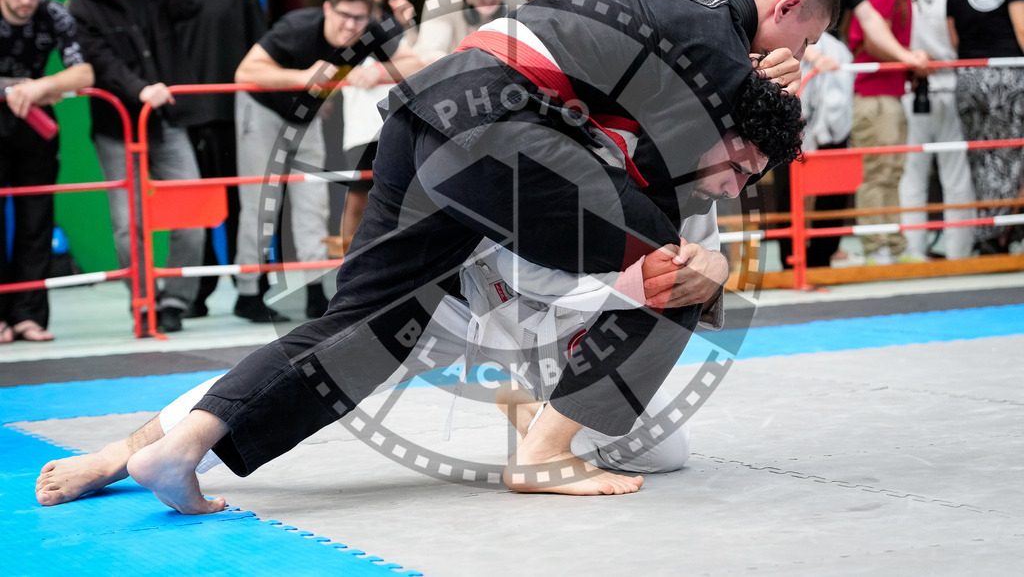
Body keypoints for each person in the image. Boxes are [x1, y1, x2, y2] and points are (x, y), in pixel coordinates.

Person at [76, 0, 837, 513]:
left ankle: (184, 445)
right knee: (686, 270)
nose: (791, 61)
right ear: (784, 9)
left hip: (430, 116)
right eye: (799, 46)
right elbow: (699, 194)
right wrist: (761, 91)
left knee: (358, 324)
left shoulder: (670, 1)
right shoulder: (719, 51)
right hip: (496, 146)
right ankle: (542, 454)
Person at [36, 204, 730, 506]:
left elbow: (707, 264)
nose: (738, 179)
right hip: (454, 299)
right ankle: (117, 455)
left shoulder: (701, 174)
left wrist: (714, 271)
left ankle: (536, 417)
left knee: (666, 452)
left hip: (562, 338)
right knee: (303, 372)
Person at [232, 0, 420, 322]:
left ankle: (316, 292)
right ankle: (248, 292)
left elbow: (416, 63)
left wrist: (379, 68)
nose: (350, 25)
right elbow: (245, 71)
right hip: (263, 109)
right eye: (344, 15)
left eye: (359, 18)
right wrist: (301, 75)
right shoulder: (297, 27)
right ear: (327, 10)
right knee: (260, 198)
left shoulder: (369, 33)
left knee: (313, 198)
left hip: (307, 115)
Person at [69, 0, 205, 334]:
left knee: (191, 214)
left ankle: (173, 302)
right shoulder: (84, 2)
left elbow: (190, 3)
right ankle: (143, 301)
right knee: (130, 224)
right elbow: (101, 63)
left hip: (166, 121)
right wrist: (142, 89)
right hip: (118, 128)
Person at [779, 0, 929, 269]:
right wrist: (810, 55)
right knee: (786, 165)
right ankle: (790, 257)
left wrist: (904, 56)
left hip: (833, 82)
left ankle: (822, 255)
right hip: (792, 76)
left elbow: (870, 21)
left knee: (835, 164)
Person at [171, 0, 267, 319]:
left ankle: (250, 292)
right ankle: (195, 293)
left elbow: (261, 51)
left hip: (234, 115)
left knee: (243, 206)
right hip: (183, 119)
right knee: (194, 211)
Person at [0, 0, 94, 344]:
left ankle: (27, 316)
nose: (26, 0)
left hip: (35, 121)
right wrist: (11, 87)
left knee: (36, 219)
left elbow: (84, 72)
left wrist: (38, 87)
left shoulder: (53, 13)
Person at [847, 0, 925, 265]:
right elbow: (870, 41)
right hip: (875, 95)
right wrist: (909, 58)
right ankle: (877, 247)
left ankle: (892, 246)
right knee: (879, 172)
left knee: (891, 171)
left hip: (888, 92)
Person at [328, 0, 419, 257]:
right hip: (360, 126)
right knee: (357, 199)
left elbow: (420, 64)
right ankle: (349, 270)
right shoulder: (343, 28)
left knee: (407, 198)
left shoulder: (397, 25)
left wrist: (408, 25)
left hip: (399, 120)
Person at [947, 0, 1024, 254]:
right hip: (1007, 73)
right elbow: (1022, 30)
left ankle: (991, 230)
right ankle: (995, 234)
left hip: (968, 76)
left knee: (981, 156)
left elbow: (953, 38)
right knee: (1007, 155)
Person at [898, 0, 976, 261]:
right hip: (947, 87)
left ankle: (914, 251)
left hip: (911, 89)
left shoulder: (906, 1)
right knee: (955, 175)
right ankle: (960, 251)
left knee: (912, 174)